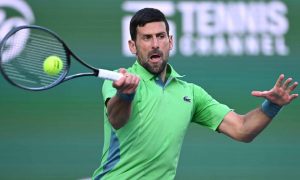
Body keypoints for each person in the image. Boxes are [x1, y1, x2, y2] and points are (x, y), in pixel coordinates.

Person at [92, 8, 298, 180]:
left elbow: (242, 130)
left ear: (170, 42)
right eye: (146, 38)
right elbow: (116, 119)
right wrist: (126, 94)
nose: (155, 44)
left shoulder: (190, 93)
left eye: (160, 36)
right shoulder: (120, 80)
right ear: (132, 46)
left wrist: (272, 106)